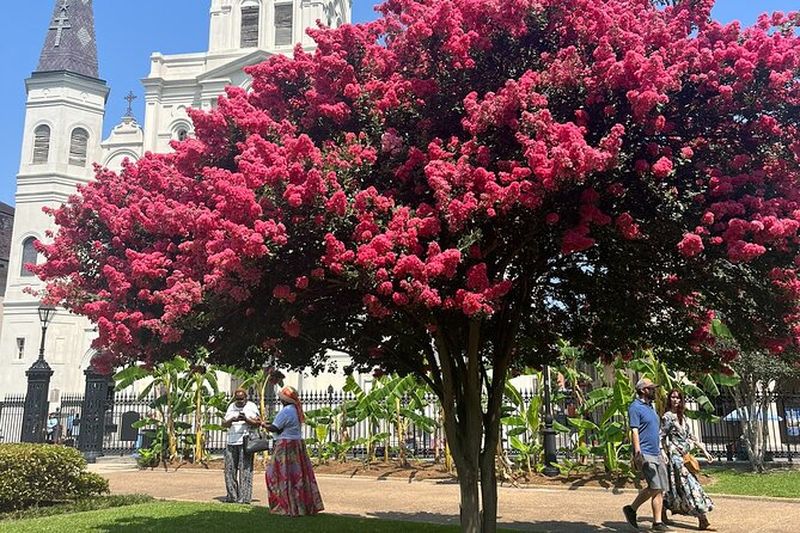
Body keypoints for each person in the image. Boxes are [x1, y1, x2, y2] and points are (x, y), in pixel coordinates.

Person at [264, 386, 324, 516]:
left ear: (285, 400)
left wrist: (263, 424)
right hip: (297, 444)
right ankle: (300, 506)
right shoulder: (297, 410)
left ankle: (285, 505)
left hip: (286, 444)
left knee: (276, 474)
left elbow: (275, 428)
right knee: (298, 476)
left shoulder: (285, 411)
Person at [662, 389, 716, 530]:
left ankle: (663, 512)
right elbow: (660, 435)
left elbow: (691, 436)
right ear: (669, 399)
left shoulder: (682, 417)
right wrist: (663, 452)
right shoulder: (667, 417)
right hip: (675, 458)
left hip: (685, 457)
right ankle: (702, 518)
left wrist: (704, 451)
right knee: (690, 486)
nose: (675, 400)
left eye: (678, 398)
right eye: (673, 397)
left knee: (676, 486)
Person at [623, 378, 671, 532]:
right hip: (645, 453)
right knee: (654, 486)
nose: (653, 390)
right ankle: (631, 509)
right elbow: (634, 431)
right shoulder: (635, 407)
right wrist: (637, 452)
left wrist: (662, 451)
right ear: (643, 390)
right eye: (651, 388)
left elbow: (656, 432)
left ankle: (657, 522)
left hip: (657, 452)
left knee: (660, 488)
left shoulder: (651, 408)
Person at [222, 388, 261, 504]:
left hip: (246, 442)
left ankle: (245, 497)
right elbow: (224, 424)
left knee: (245, 470)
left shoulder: (252, 407)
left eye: (241, 399)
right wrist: (232, 419)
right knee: (229, 470)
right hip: (231, 441)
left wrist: (246, 419)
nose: (239, 401)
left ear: (246, 398)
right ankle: (232, 496)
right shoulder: (231, 407)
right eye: (237, 399)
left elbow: (258, 423)